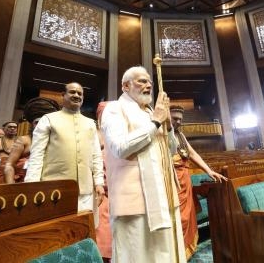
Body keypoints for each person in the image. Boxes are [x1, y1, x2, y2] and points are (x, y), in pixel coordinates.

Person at [100, 66, 186, 263]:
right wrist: (155, 122)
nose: (148, 85)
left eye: (149, 82)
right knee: (139, 256)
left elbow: (171, 151)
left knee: (165, 255)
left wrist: (168, 126)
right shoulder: (114, 109)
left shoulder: (150, 112)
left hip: (163, 195)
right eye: (141, 81)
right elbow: (120, 147)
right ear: (125, 86)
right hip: (134, 200)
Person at [25, 82, 105, 227]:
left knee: (82, 232)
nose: (76, 95)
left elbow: (96, 155)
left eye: (80, 93)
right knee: (55, 232)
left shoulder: (90, 123)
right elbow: (37, 155)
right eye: (72, 92)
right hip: (54, 190)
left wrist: (99, 182)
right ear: (63, 95)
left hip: (85, 191)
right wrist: (31, 186)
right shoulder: (48, 119)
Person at [170, 105, 228, 259]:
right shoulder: (161, 135)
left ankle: (185, 253)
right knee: (177, 219)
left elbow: (192, 153)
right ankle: (176, 254)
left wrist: (209, 171)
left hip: (184, 180)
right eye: (174, 118)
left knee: (187, 217)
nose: (178, 122)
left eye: (180, 119)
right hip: (171, 181)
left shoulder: (180, 135)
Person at [4, 97, 60, 184]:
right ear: (31, 124)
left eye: (43, 122)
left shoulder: (55, 141)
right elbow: (9, 165)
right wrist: (11, 186)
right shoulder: (24, 140)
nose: (40, 125)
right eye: (37, 122)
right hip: (23, 184)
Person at [95, 101, 112, 263]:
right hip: (101, 188)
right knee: (102, 229)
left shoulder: (120, 134)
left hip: (119, 189)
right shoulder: (95, 133)